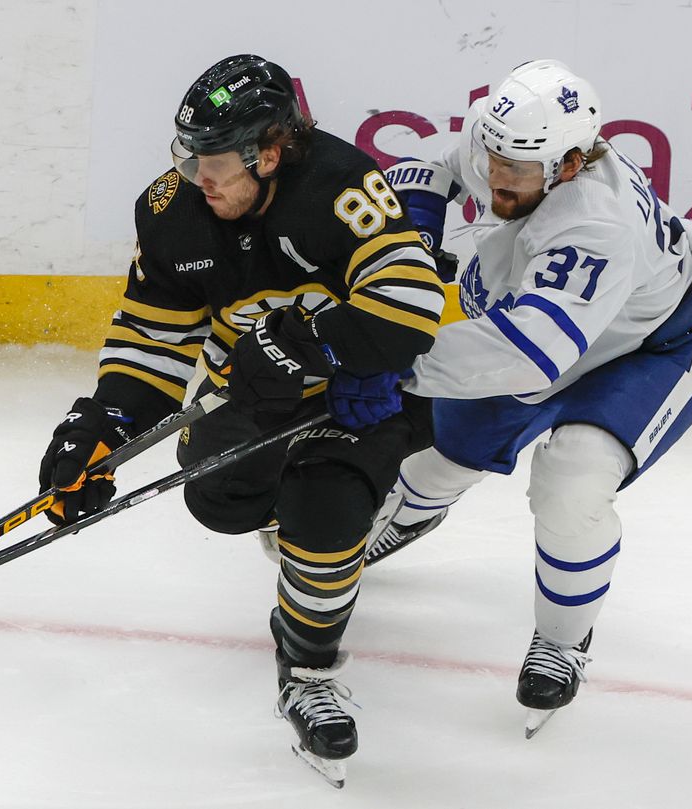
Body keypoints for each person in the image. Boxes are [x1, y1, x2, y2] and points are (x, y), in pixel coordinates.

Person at [37, 54, 449, 786]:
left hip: (354, 395)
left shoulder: (342, 186)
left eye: (217, 161)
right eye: (190, 156)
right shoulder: (170, 211)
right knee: (217, 498)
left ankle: (308, 668)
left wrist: (316, 346)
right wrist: (105, 425)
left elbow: (412, 305)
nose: (200, 176)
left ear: (270, 150)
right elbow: (151, 340)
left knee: (326, 507)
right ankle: (290, 522)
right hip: (249, 397)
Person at [327, 59, 692, 736]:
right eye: (493, 155)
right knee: (444, 455)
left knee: (572, 480)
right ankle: (411, 514)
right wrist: (417, 240)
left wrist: (387, 360)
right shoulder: (512, 143)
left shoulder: (597, 222)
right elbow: (431, 169)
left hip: (650, 349)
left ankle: (563, 639)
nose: (495, 176)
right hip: (541, 325)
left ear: (570, 164)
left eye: (515, 168)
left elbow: (529, 353)